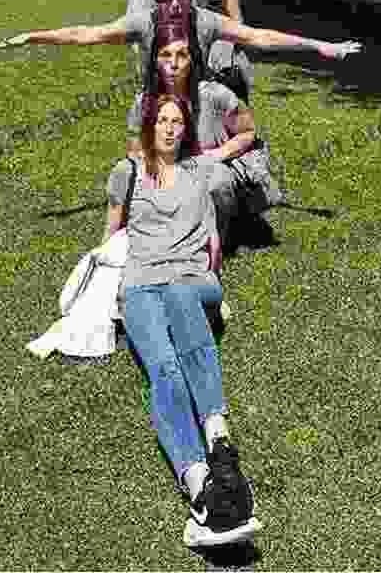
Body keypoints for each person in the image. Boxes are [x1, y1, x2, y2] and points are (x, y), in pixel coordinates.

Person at [105, 92, 263, 548]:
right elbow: (112, 235)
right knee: (165, 369)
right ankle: (201, 488)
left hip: (194, 281)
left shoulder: (202, 170)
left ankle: (218, 437)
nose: (171, 128)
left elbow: (248, 137)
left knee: (178, 290)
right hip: (139, 287)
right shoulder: (127, 172)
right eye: (163, 120)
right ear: (149, 126)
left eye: (178, 121)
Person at [0, 0, 363, 69]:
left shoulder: (206, 19)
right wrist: (33, 36)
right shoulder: (143, 22)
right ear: (155, 0)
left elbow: (259, 37)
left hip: (196, 101)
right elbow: (85, 34)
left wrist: (321, 46)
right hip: (154, 102)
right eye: (170, 0)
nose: (178, 7)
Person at [125, 12, 283, 254]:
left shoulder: (216, 94)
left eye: (182, 56)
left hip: (215, 166)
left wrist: (215, 155)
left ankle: (222, 239)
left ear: (193, 60)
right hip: (170, 167)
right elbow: (135, 146)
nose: (174, 63)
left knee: (215, 181)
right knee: (126, 174)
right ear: (155, 60)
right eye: (165, 55)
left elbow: (247, 133)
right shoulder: (144, 101)